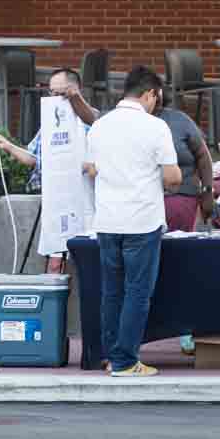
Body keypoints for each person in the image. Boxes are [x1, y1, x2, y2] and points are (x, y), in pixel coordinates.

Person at [84, 66, 179, 377]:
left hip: (107, 219)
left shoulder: (99, 126)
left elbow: (91, 169)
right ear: (150, 94)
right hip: (142, 220)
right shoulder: (155, 127)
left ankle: (111, 357)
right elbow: (171, 177)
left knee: (112, 292)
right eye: (157, 97)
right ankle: (125, 361)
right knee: (137, 293)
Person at [0, 68, 99, 272]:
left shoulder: (93, 122)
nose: (55, 98)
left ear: (76, 90)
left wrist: (88, 165)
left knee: (89, 266)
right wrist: (8, 146)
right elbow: (34, 159)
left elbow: (101, 166)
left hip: (88, 205)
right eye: (51, 93)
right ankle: (53, 303)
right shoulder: (51, 122)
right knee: (55, 264)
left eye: (61, 93)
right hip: (57, 204)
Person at [155, 94, 214, 233]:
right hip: (140, 201)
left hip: (180, 197)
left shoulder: (179, 120)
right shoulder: (125, 121)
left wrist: (207, 192)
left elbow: (203, 155)